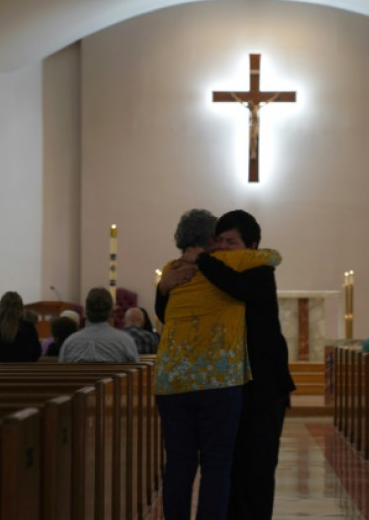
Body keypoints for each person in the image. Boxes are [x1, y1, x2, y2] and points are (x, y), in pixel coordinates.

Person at [154, 208, 281, 520]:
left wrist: (175, 278)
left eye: (230, 241)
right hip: (220, 380)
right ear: (209, 240)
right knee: (218, 463)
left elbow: (166, 313)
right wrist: (166, 285)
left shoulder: (179, 268)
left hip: (192, 380)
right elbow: (273, 257)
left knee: (191, 463)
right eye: (219, 240)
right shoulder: (222, 265)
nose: (223, 247)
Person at [59, 287, 138, 363]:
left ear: (86, 312)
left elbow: (61, 371)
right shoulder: (126, 342)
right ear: (111, 313)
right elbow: (136, 373)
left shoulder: (69, 343)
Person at [0, 291, 42, 362]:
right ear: (20, 308)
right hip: (23, 372)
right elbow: (36, 353)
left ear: (1, 307)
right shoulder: (28, 326)